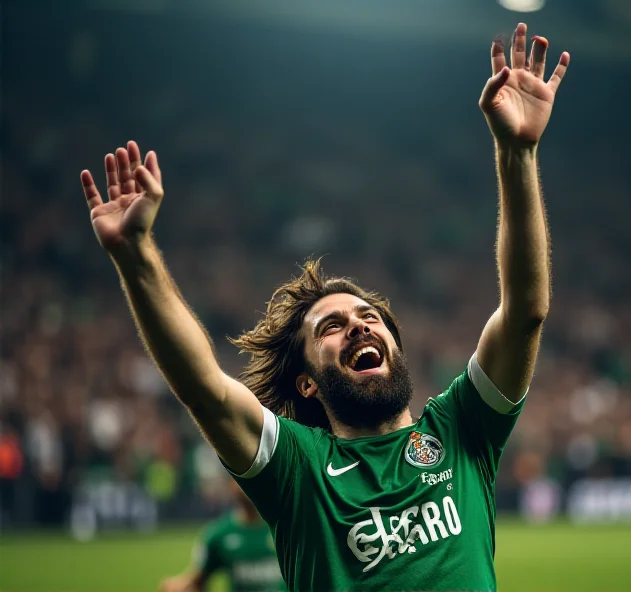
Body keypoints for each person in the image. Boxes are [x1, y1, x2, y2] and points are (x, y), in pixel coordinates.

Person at [79, 23, 569, 592]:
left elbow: (526, 309)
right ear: (308, 383)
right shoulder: (298, 470)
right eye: (331, 327)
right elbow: (205, 390)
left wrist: (518, 152)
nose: (360, 325)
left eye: (370, 317)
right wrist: (137, 257)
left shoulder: (462, 431)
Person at [159, 481, 285, 592]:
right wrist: (179, 586)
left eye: (253, 478)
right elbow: (197, 581)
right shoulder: (218, 535)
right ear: (230, 485)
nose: (246, 486)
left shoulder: (285, 526)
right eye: (239, 479)